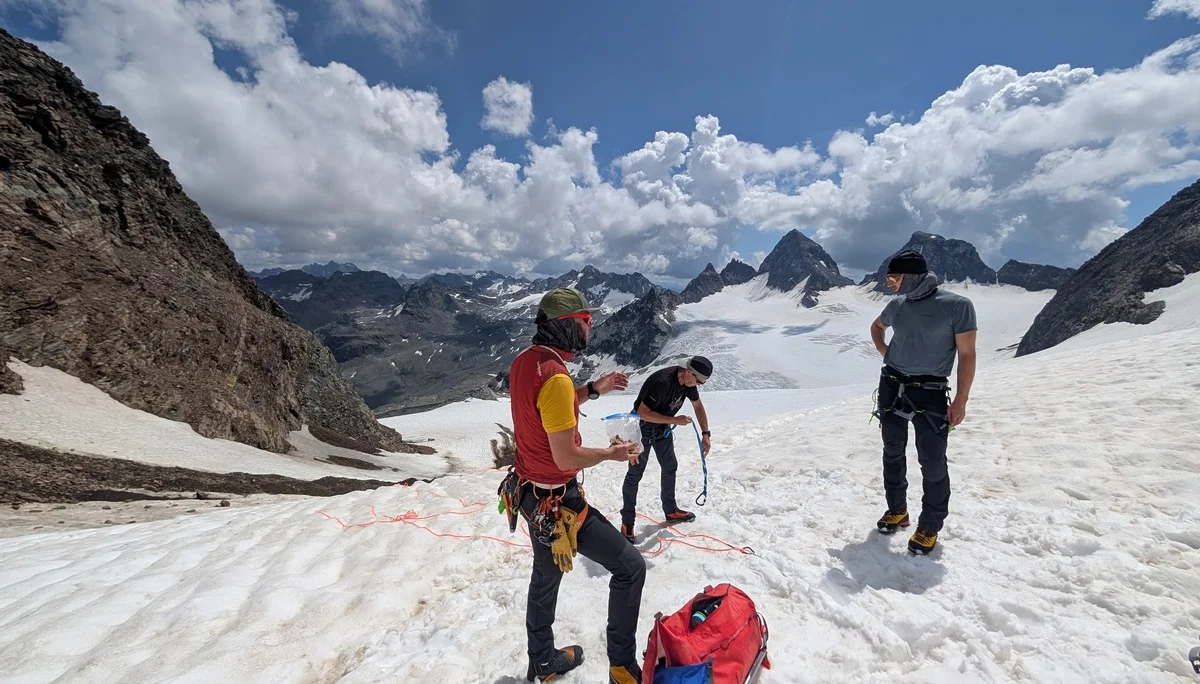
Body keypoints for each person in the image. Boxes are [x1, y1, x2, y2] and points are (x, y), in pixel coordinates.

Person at [507, 287, 647, 684]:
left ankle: (543, 661)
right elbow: (566, 457)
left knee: (545, 578)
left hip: (530, 495)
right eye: (585, 322)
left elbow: (547, 410)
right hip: (557, 500)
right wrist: (611, 454)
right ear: (567, 326)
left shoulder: (525, 361)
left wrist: (594, 389)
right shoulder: (556, 378)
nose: (590, 328)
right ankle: (621, 666)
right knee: (630, 568)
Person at [869, 249, 977, 555]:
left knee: (931, 460)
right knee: (892, 450)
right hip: (892, 384)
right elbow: (877, 326)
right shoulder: (898, 304)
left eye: (894, 276)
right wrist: (886, 353)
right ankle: (897, 511)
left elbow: (967, 354)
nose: (889, 282)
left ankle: (930, 524)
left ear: (912, 276)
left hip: (930, 391)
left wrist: (961, 400)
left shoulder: (957, 306)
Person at [620, 356, 713, 543]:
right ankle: (627, 522)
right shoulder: (661, 382)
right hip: (641, 429)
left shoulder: (688, 383)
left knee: (670, 466)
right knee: (635, 473)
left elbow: (698, 406)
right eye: (697, 381)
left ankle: (671, 510)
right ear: (688, 372)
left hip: (661, 430)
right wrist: (675, 420)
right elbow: (642, 412)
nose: (697, 386)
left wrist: (706, 433)